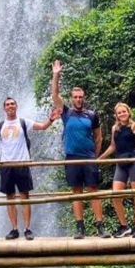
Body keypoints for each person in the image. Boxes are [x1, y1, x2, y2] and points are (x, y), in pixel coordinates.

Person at [0, 98, 60, 241]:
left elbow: (42, 127)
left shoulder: (24, 122)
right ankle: (14, 229)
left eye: (12, 104)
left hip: (22, 163)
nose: (10, 106)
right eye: (7, 104)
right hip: (5, 165)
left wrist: (51, 119)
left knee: (25, 197)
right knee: (10, 197)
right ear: (4, 108)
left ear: (16, 106)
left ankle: (28, 229)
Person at [51, 60, 110, 240]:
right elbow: (54, 95)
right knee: (76, 191)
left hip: (89, 157)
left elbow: (98, 137)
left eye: (80, 97)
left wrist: (96, 156)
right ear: (71, 98)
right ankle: (80, 227)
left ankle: (100, 226)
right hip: (72, 157)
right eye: (75, 97)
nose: (78, 99)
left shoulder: (91, 115)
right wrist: (56, 75)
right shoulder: (66, 112)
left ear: (84, 98)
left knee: (94, 190)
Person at [98, 84, 135, 238]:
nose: (122, 114)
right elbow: (113, 146)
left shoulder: (133, 126)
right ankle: (124, 226)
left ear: (128, 112)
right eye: (119, 113)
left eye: (124, 112)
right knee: (116, 195)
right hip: (121, 163)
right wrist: (99, 159)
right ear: (116, 115)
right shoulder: (115, 129)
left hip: (133, 162)